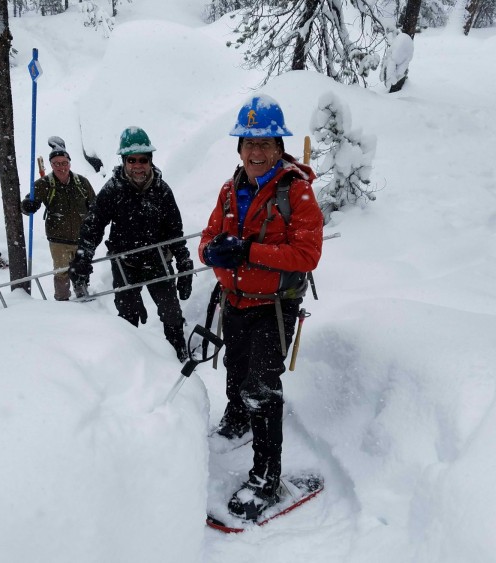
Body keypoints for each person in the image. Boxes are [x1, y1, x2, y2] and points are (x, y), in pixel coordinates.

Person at [198, 95, 324, 521]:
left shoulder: (297, 192)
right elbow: (206, 243)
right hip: (233, 300)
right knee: (236, 369)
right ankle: (237, 420)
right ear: (239, 147)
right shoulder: (230, 190)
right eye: (248, 142)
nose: (255, 151)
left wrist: (249, 250)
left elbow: (306, 256)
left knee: (261, 388)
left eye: (265, 143)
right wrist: (214, 250)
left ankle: (267, 479)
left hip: (274, 307)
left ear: (278, 147)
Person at [68, 126, 193, 362]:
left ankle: (179, 355)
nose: (138, 165)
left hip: (158, 260)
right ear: (124, 161)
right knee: (127, 315)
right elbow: (94, 225)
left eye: (143, 160)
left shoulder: (162, 191)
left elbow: (174, 231)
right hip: (125, 262)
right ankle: (131, 366)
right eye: (132, 160)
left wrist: (184, 263)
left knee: (172, 314)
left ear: (150, 161)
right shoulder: (113, 190)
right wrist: (83, 257)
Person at [21, 137, 97, 301]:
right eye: (56, 163)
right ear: (51, 165)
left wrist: (92, 227)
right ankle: (62, 301)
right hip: (58, 238)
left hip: (81, 236)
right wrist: (28, 205)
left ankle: (82, 293)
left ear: (69, 163)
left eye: (64, 163)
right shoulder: (43, 184)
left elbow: (95, 205)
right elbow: (27, 205)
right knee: (61, 271)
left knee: (81, 268)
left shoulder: (82, 182)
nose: (61, 167)